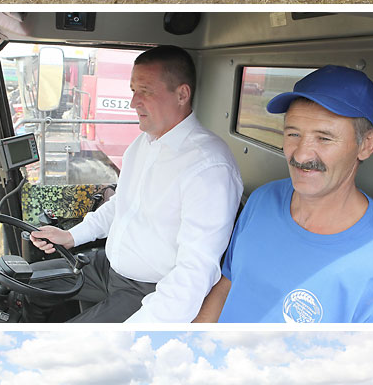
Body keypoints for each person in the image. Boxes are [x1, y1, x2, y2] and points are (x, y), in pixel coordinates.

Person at [30, 45, 243, 322]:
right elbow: (122, 203)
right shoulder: (143, 143)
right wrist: (73, 236)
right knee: (20, 283)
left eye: (146, 91)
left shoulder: (209, 168)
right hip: (107, 268)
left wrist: (139, 331)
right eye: (133, 90)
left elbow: (195, 271)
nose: (133, 102)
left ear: (182, 94)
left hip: (147, 290)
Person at [196, 64, 373, 323]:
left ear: (367, 144)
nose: (300, 154)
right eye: (293, 134)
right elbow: (227, 285)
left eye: (323, 138)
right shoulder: (262, 200)